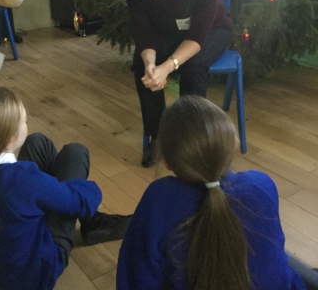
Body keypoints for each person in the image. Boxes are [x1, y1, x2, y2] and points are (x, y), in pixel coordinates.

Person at [0, 87, 131, 290]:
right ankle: (93, 223)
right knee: (76, 152)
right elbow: (82, 202)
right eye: (24, 121)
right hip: (37, 275)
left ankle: (82, 216)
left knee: (38, 141)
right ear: (8, 141)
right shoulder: (22, 180)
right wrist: (92, 188)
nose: (27, 124)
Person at [116, 95, 308, 290]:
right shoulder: (261, 185)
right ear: (232, 142)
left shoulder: (159, 199)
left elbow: (134, 279)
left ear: (166, 160)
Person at [123, 0, 234, 167]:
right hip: (168, 31)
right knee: (142, 65)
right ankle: (158, 136)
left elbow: (197, 37)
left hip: (213, 29)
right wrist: (151, 65)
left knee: (194, 66)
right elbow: (145, 36)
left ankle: (192, 139)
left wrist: (167, 67)